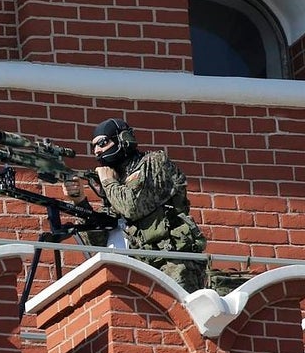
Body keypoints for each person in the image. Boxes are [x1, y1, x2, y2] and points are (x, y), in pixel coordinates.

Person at [65, 118, 208, 292]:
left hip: (172, 265)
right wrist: (80, 201)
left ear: (123, 138)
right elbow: (95, 242)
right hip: (139, 270)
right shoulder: (118, 183)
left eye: (102, 143)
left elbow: (132, 208)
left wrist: (109, 182)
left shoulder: (153, 163)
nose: (97, 151)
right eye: (93, 146)